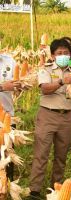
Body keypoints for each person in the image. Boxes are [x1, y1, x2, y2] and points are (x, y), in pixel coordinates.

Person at [29, 38, 71, 199]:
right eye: (59, 53)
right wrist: (61, 81)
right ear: (53, 56)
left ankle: (57, 188)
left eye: (66, 53)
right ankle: (34, 190)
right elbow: (45, 89)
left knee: (61, 155)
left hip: (66, 117)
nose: (63, 55)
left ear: (70, 55)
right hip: (47, 115)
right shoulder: (45, 70)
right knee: (41, 153)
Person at [0, 51, 22, 181]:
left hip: (7, 116)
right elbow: (4, 86)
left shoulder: (9, 61)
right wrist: (2, 87)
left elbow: (16, 82)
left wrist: (20, 84)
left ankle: (7, 187)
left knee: (8, 155)